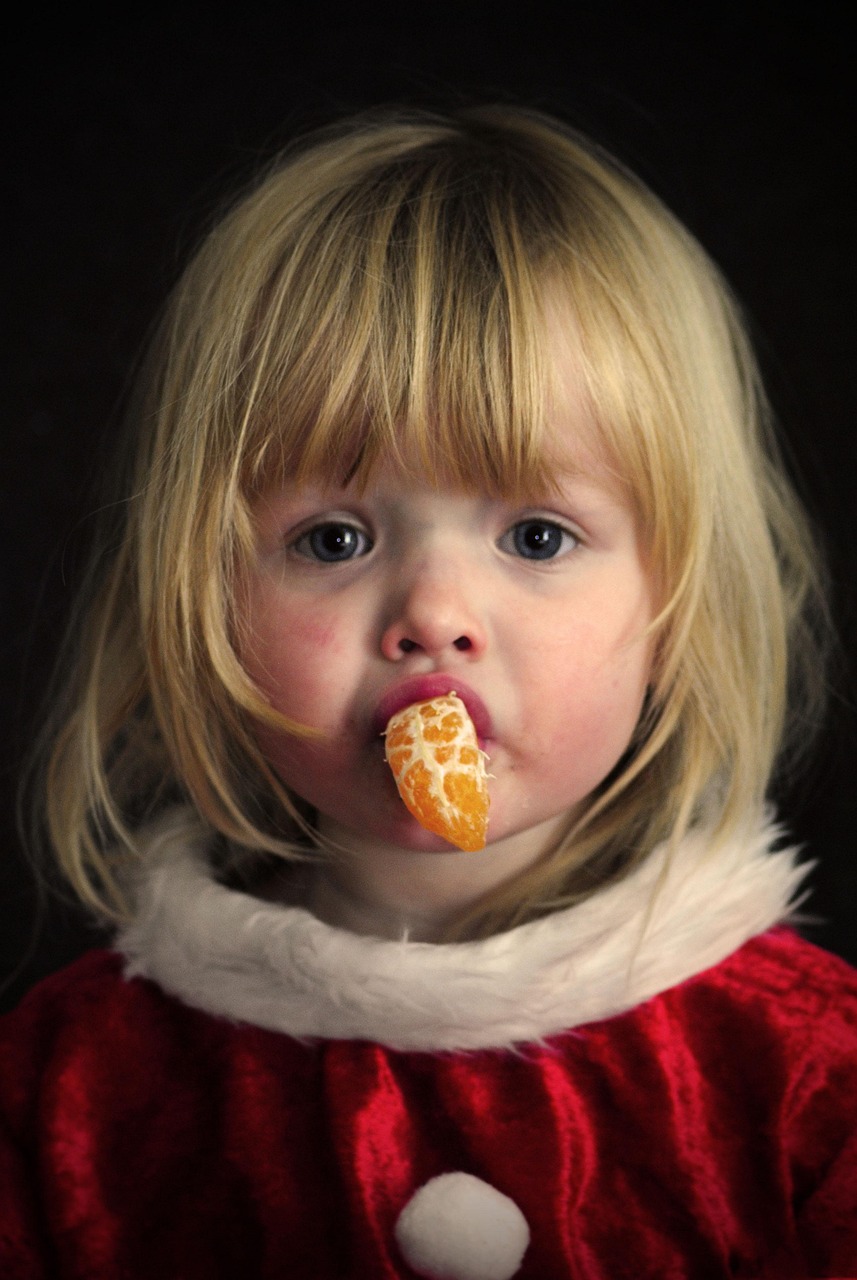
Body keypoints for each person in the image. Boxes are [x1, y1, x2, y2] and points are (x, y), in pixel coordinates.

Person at [1, 105, 854, 1280]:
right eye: (334, 537)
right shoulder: (71, 1088)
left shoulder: (806, 1073)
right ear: (201, 600)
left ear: (677, 610)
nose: (434, 612)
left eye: (538, 535)